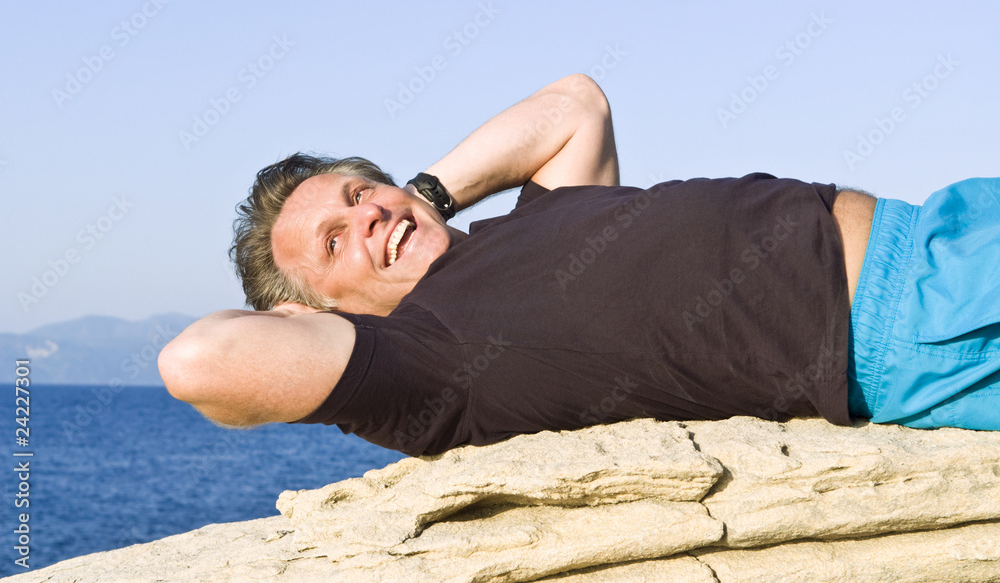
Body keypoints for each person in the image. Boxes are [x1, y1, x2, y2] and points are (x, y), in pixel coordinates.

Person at [158, 74, 1000, 457]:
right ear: (318, 311)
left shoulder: (538, 217)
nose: (367, 212)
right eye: (335, 242)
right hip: (917, 323)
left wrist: (423, 195)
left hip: (937, 223)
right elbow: (198, 361)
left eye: (359, 190)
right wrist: (311, 332)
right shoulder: (426, 366)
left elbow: (572, 104)